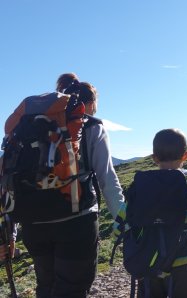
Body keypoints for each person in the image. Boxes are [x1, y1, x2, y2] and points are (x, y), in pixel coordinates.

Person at [1, 79, 125, 298]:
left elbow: (10, 179)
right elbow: (107, 178)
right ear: (91, 102)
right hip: (76, 222)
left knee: (45, 287)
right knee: (71, 289)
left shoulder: (27, 127)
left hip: (33, 224)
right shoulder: (91, 126)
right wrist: (124, 222)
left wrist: (9, 234)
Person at [113, 129, 187, 297]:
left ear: (154, 157)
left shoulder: (142, 184)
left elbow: (118, 226)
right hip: (181, 263)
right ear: (186, 155)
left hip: (147, 263)